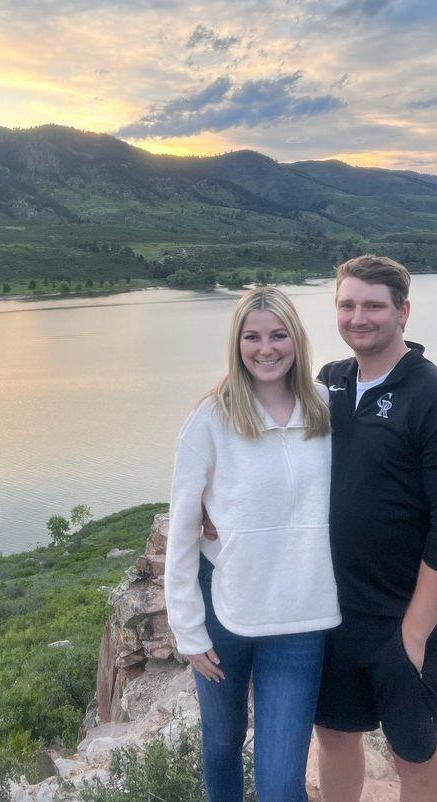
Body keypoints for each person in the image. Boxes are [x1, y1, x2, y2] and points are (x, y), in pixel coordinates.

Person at [313, 254, 437, 802]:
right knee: (335, 736)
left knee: (414, 755)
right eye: (347, 305)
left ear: (403, 311)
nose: (358, 317)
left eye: (373, 306)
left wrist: (415, 631)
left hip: (403, 618)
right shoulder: (330, 383)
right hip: (331, 612)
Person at [164, 286, 341, 802]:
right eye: (253, 336)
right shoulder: (211, 419)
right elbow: (182, 527)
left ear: (297, 340)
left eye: (279, 335)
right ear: (237, 344)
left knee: (282, 786)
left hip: (301, 618)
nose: (267, 349)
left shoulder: (329, 412)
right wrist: (187, 628)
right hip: (225, 611)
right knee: (221, 743)